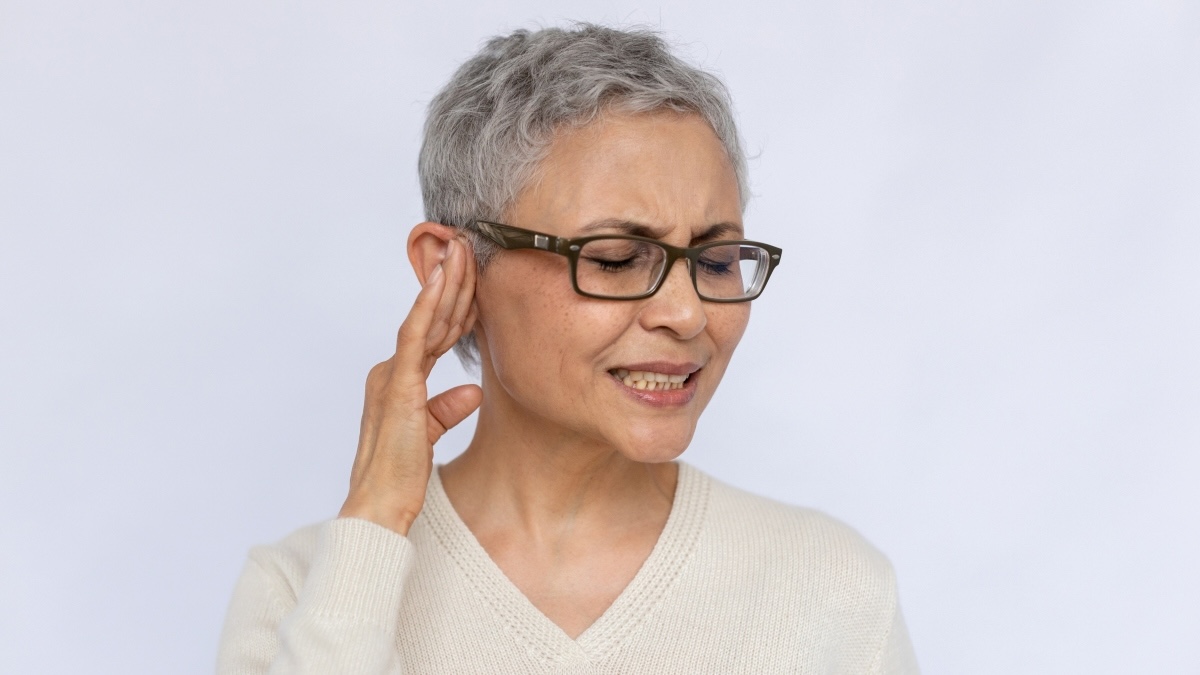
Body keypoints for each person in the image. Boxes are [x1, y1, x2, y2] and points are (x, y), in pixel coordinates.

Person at [217, 23, 919, 674]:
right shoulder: (305, 591)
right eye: (615, 257)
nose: (687, 312)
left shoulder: (835, 588)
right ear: (450, 267)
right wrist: (373, 521)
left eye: (714, 260)